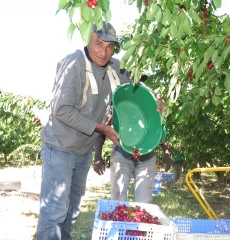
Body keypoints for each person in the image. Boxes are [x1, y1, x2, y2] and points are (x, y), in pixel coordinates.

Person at [36, 21, 164, 240]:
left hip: (82, 152)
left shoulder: (114, 67)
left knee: (72, 211)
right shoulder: (74, 64)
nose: (103, 52)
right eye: (99, 44)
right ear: (88, 40)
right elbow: (61, 109)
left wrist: (155, 97)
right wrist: (101, 128)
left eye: (110, 47)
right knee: (55, 212)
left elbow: (136, 84)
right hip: (60, 147)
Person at [94, 80, 166, 204]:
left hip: (146, 156)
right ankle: (119, 223)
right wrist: (97, 156)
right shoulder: (116, 97)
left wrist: (166, 152)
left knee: (144, 203)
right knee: (118, 200)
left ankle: (140, 223)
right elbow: (103, 128)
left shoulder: (149, 95)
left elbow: (157, 127)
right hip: (121, 155)